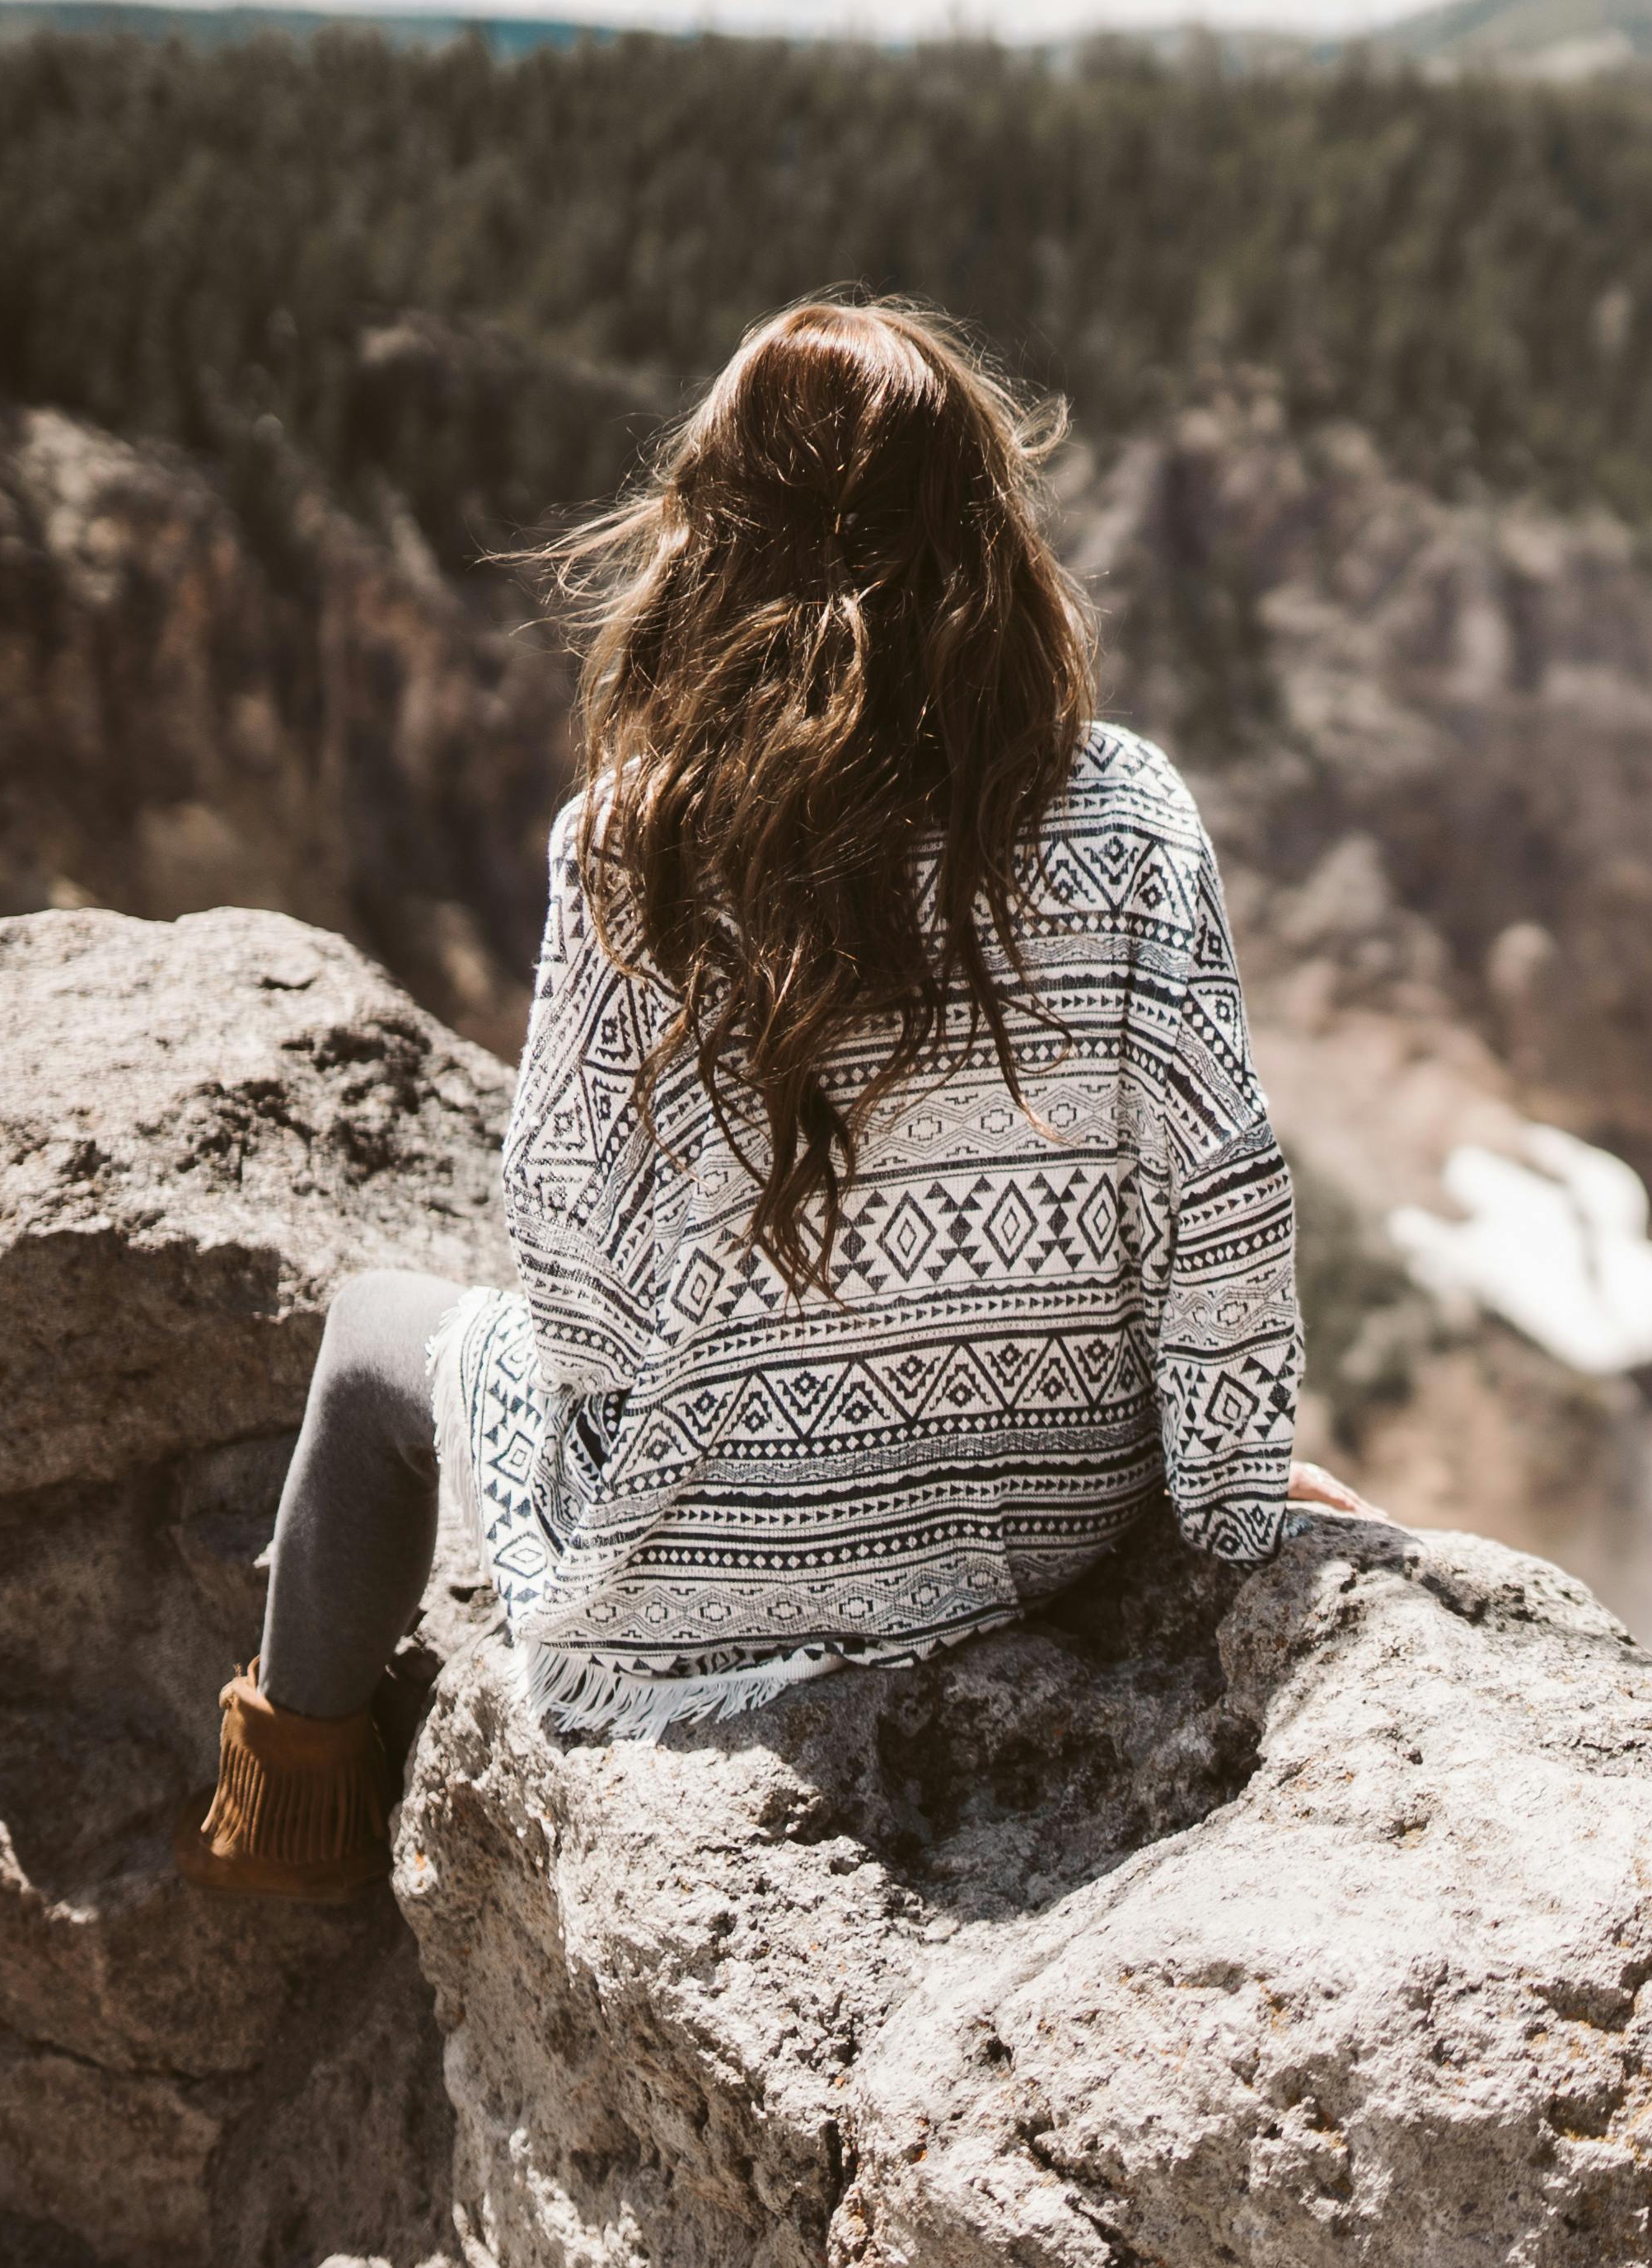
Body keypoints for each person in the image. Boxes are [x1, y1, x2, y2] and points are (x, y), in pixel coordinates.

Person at [180, 294, 1355, 1902]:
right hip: (1059, 1515)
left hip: (722, 1576)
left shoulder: (633, 844)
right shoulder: (1131, 806)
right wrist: (1230, 1499)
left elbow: (579, 1305)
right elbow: (1222, 1203)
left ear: (713, 543)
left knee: (379, 1331)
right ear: (991, 541)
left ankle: (289, 1817)